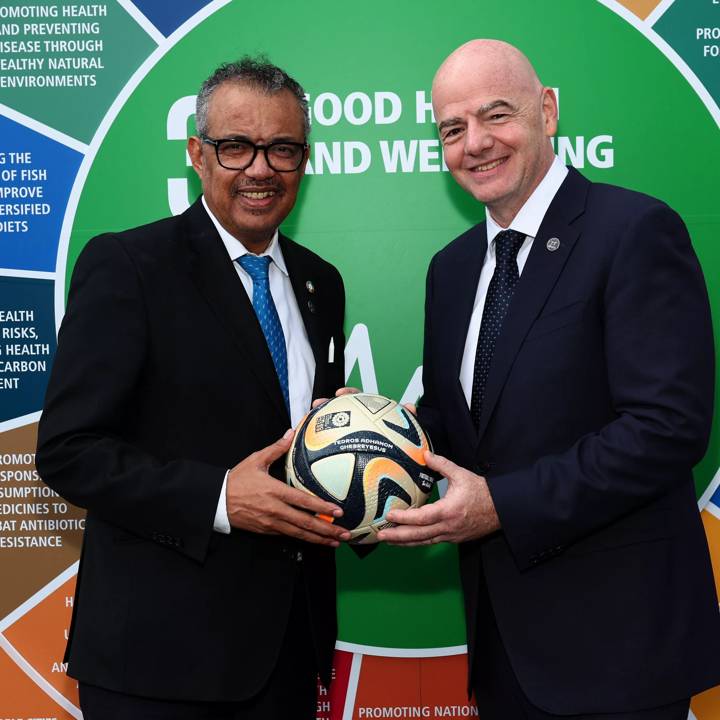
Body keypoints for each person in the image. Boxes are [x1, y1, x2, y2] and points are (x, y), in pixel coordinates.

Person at [378, 39, 720, 719]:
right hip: (504, 651)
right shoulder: (451, 268)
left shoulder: (634, 231)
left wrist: (501, 504)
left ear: (548, 111)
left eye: (495, 115)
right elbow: (461, 423)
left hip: (621, 651)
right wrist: (373, 436)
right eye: (452, 128)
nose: (475, 143)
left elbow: (667, 429)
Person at [36, 56, 351, 720]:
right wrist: (219, 498)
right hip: (159, 666)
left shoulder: (323, 283)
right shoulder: (129, 265)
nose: (261, 168)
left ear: (304, 160)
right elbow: (69, 450)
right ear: (198, 155)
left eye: (283, 149)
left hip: (287, 659)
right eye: (236, 146)